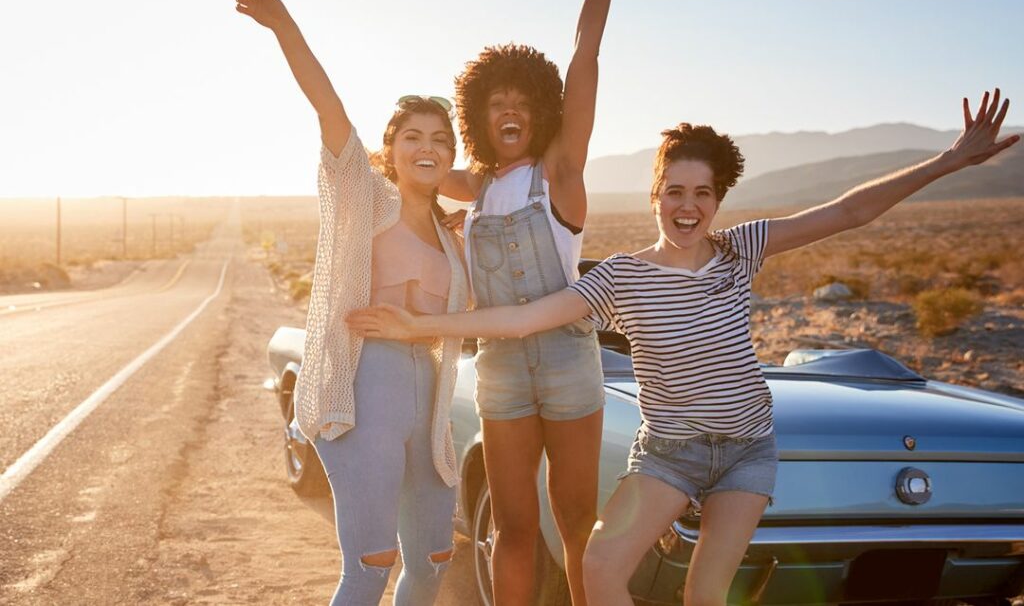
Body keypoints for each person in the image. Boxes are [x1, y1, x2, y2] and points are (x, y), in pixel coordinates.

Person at [347, 91, 1016, 606]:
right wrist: (418, 327)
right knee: (604, 569)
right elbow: (525, 319)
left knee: (703, 595)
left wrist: (951, 160)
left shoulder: (740, 250)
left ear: (719, 199)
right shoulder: (622, 276)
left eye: (702, 193)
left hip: (745, 452)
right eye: (675, 191)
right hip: (669, 452)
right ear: (655, 196)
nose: (687, 205)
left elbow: (847, 213)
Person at [430, 0, 659, 605]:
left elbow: (584, 51)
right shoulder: (476, 186)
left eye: (521, 101)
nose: (508, 109)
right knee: (515, 528)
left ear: (541, 110)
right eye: (494, 102)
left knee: (575, 522)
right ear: (478, 115)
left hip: (566, 362)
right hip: (499, 369)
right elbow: (410, 167)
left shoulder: (560, 176)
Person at [233, 0, 470, 606]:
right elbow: (329, 109)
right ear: (389, 150)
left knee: (433, 558)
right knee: (370, 562)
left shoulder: (454, 236)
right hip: (367, 388)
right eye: (412, 137)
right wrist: (285, 26)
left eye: (440, 140)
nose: (427, 148)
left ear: (451, 156)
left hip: (430, 404)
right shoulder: (367, 200)